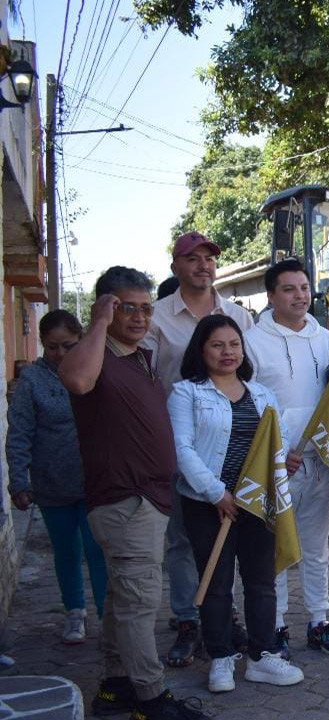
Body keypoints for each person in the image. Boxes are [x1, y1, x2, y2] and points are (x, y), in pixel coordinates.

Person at [60, 266, 211, 720]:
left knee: (121, 601)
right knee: (139, 603)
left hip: (147, 499)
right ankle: (151, 699)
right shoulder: (95, 353)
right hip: (125, 500)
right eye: (129, 307)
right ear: (106, 306)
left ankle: (116, 685)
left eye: (146, 308)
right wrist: (100, 322)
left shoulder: (139, 357)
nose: (141, 316)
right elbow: (77, 381)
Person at [168, 315, 305, 693]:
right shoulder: (186, 393)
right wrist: (217, 493)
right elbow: (182, 450)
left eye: (234, 344)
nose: (227, 352)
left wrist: (284, 460)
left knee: (262, 582)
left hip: (257, 503)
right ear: (201, 349)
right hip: (206, 504)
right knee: (216, 583)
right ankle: (221, 657)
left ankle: (262, 657)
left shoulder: (262, 394)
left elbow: (275, 443)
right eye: (217, 345)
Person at [142, 232, 254, 668]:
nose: (203, 265)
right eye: (193, 258)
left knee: (231, 534)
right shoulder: (156, 320)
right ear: (176, 267)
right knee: (183, 540)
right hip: (178, 444)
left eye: (209, 258)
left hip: (234, 444)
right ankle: (189, 620)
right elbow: (147, 380)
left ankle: (223, 616)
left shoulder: (239, 317)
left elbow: (251, 377)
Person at [243, 259, 329, 658]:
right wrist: (273, 454)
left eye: (304, 288)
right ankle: (277, 624)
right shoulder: (252, 342)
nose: (300, 295)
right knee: (276, 550)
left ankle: (319, 621)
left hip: (319, 460)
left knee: (315, 546)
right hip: (277, 466)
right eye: (289, 289)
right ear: (271, 296)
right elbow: (250, 405)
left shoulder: (323, 338)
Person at [7, 310, 106, 643]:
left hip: (96, 480)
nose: (60, 354)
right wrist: (19, 480)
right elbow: (19, 432)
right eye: (52, 347)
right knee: (66, 550)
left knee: (98, 550)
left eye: (68, 345)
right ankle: (74, 612)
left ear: (80, 339)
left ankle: (109, 616)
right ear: (43, 344)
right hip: (51, 481)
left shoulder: (97, 367)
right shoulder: (33, 381)